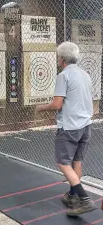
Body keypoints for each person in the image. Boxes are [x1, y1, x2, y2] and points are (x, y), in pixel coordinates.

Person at [36, 41, 96, 216]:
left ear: (62, 59)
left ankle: (84, 200)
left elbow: (57, 104)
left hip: (70, 127)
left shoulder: (63, 75)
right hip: (86, 126)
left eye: (58, 57)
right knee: (76, 161)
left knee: (63, 163)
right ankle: (72, 195)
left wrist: (41, 108)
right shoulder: (85, 74)